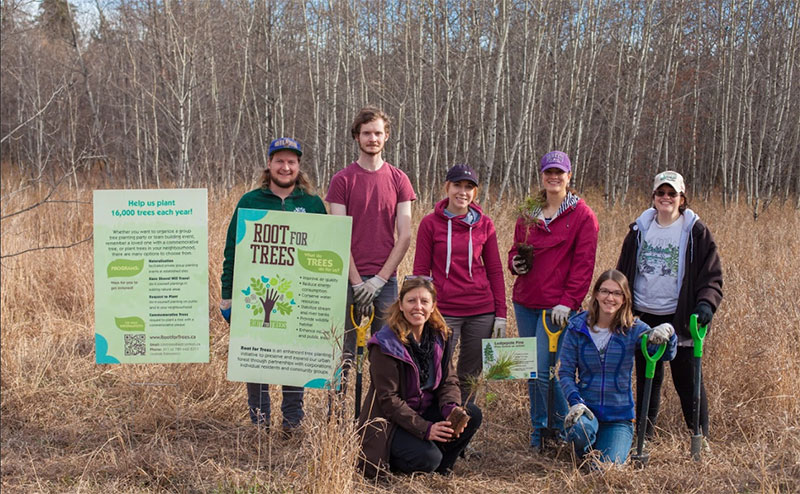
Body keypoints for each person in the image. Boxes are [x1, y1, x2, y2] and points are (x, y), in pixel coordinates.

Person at [219, 137, 327, 432]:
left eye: (291, 161)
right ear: (269, 164)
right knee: (256, 356)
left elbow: (324, 250)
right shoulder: (250, 202)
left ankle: (292, 421)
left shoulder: (312, 204)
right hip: (257, 293)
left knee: (294, 356)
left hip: (297, 295)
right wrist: (227, 296)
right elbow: (233, 250)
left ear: (298, 166)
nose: (285, 167)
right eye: (279, 160)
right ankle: (260, 422)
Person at [616, 170, 723, 443]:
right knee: (648, 380)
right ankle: (644, 437)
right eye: (661, 193)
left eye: (672, 193)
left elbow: (711, 276)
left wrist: (705, 305)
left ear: (682, 198)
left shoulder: (696, 232)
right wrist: (619, 305)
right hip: (643, 313)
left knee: (687, 381)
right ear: (653, 197)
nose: (666, 198)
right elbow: (624, 270)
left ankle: (700, 438)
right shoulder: (640, 229)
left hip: (680, 316)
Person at [507, 150, 599, 450]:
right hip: (525, 301)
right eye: (549, 172)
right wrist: (514, 264)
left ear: (569, 177)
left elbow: (584, 264)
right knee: (532, 372)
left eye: (560, 172)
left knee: (550, 371)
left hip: (557, 308)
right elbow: (515, 250)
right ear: (542, 176)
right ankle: (540, 431)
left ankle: (568, 428)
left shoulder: (582, 216)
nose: (554, 177)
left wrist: (569, 301)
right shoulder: (529, 212)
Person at [357, 277, 482, 477]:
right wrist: (426, 429)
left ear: (433, 306)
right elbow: (389, 400)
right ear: (400, 305)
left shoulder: (439, 336)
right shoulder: (385, 345)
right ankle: (404, 458)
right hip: (393, 423)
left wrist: (450, 408)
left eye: (424, 301)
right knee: (427, 458)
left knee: (472, 413)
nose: (418, 307)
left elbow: (448, 380)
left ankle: (442, 468)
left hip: (425, 410)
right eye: (411, 301)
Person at [326, 106, 416, 380]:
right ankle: (338, 415)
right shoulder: (342, 180)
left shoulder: (399, 180)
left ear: (386, 136)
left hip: (385, 281)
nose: (372, 138)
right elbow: (339, 235)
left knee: (386, 354)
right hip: (346, 278)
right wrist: (356, 282)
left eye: (378, 133)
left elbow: (405, 235)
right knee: (342, 354)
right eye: (367, 133)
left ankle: (378, 417)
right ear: (357, 137)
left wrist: (379, 279)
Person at [558, 269, 677, 464]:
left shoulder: (634, 329)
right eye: (605, 291)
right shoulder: (576, 327)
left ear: (624, 299)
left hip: (619, 419)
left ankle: (603, 451)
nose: (609, 298)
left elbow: (664, 354)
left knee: (607, 470)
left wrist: (669, 333)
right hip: (586, 411)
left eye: (616, 293)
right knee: (580, 429)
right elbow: (565, 372)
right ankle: (585, 451)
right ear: (596, 294)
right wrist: (575, 401)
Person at [412, 163, 507, 403]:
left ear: (475, 192)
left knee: (470, 376)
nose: (462, 192)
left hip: (481, 312)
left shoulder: (485, 225)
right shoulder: (429, 224)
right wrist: (421, 310)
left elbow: (495, 270)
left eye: (469, 187)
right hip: (444, 311)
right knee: (436, 371)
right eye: (457, 185)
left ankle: (462, 431)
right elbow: (421, 272)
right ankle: (435, 427)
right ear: (447, 187)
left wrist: (501, 314)